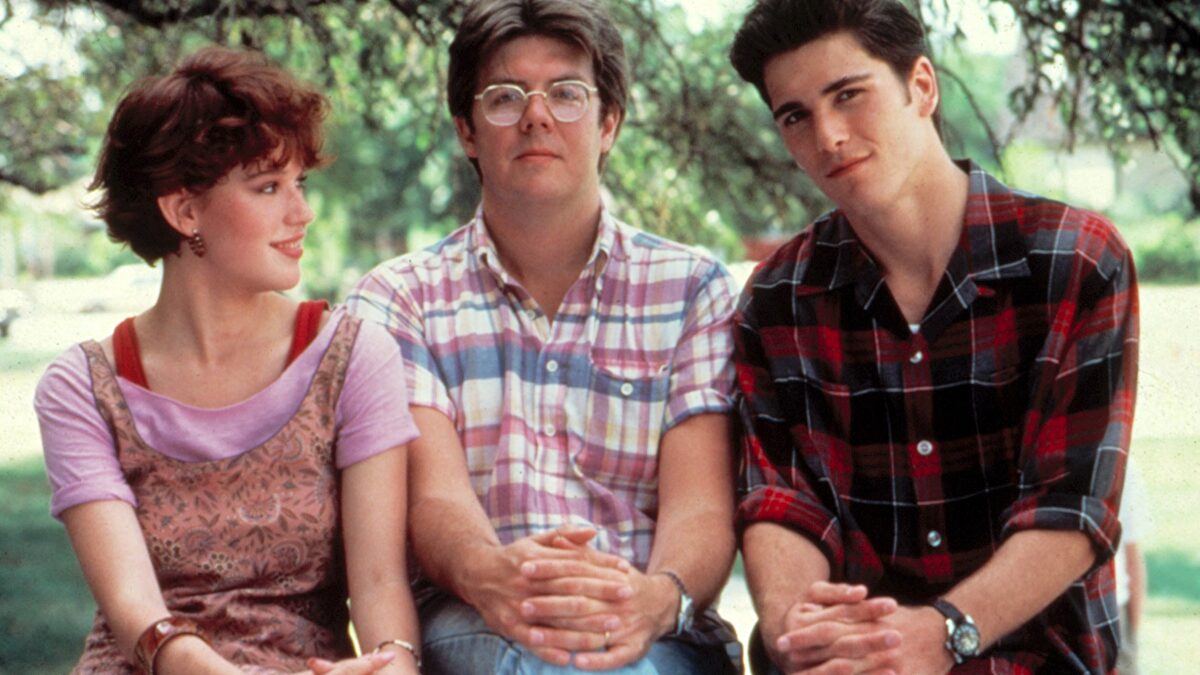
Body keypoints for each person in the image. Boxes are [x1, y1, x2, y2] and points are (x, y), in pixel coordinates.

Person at [726, 0, 1139, 673]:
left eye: (848, 95)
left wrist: (942, 632)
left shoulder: (1075, 261)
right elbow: (783, 500)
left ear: (921, 87)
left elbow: (1073, 508)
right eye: (795, 115)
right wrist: (798, 630)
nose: (827, 136)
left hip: (1031, 659)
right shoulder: (777, 297)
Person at [346, 0, 741, 673]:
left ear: (608, 123)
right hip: (476, 618)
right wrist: (493, 575)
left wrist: (652, 599)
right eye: (505, 97)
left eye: (566, 93)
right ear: (467, 132)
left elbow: (701, 507)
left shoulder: (691, 290)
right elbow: (435, 498)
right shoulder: (399, 299)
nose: (536, 115)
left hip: (653, 629)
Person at [34, 47, 421, 675]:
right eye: (268, 187)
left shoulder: (353, 356)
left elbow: (379, 584)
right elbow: (134, 611)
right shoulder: (83, 388)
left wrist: (392, 666)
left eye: (300, 184)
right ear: (184, 210)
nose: (302, 212)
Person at [1114, 458, 1150, 675]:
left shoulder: (1124, 465)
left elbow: (1132, 560)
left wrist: (1131, 638)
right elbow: (1133, 560)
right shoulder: (1123, 463)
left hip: (1113, 612)